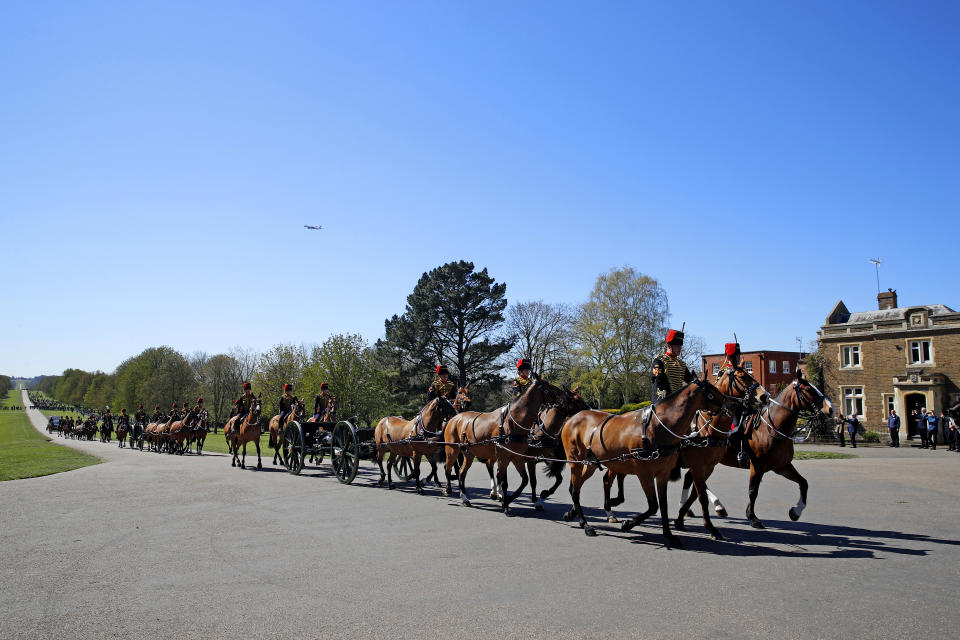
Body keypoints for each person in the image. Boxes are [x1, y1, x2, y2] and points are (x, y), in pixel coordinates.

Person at [718, 342, 752, 468]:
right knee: (737, 426)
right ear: (728, 357)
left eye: (738, 356)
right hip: (729, 408)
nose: (737, 358)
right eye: (734, 356)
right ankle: (739, 452)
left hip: (743, 405)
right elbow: (719, 392)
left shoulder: (740, 370)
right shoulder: (723, 372)